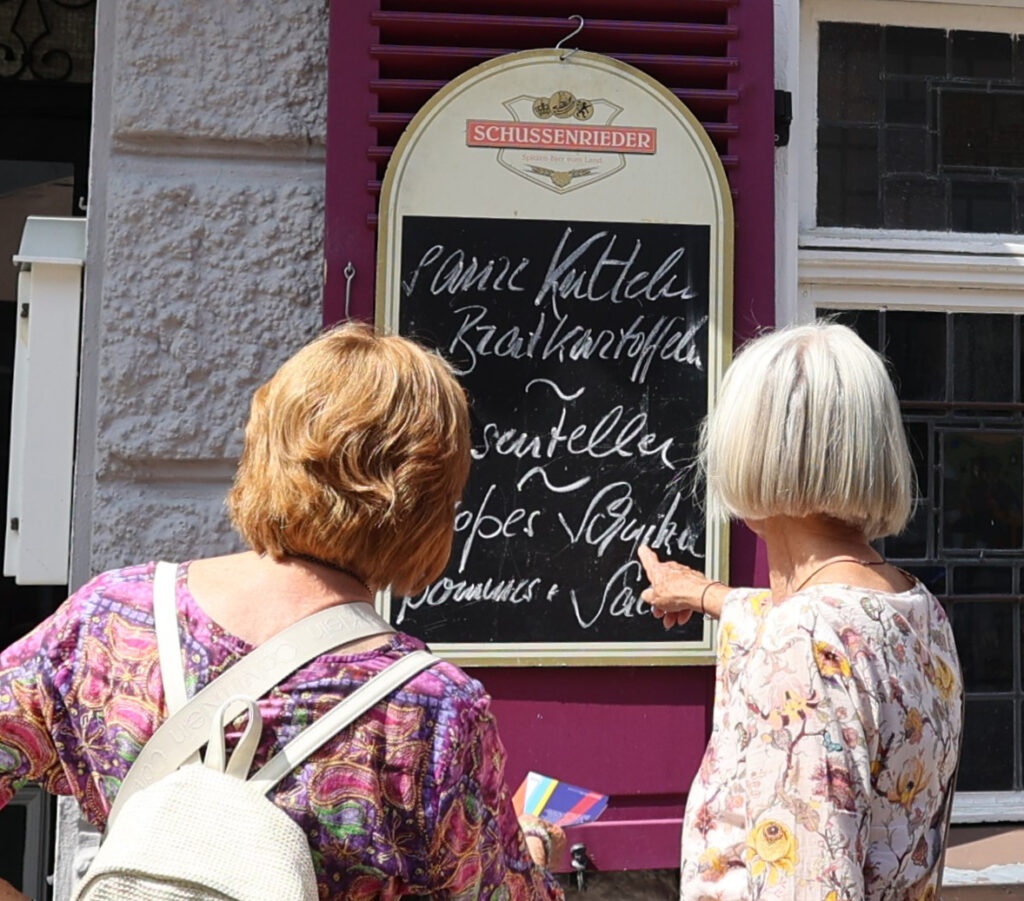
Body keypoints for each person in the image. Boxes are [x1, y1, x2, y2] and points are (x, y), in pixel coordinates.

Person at [0, 323, 564, 900]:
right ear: (427, 500)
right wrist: (533, 845)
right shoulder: (430, 711)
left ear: (265, 448)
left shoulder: (115, 620)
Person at [638, 322, 963, 901]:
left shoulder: (803, 643)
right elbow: (840, 637)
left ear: (753, 451)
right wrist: (705, 594)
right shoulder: (916, 608)